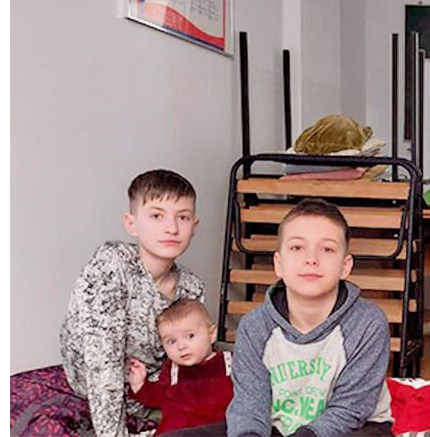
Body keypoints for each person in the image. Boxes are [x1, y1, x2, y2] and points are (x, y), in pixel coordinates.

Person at [220, 198, 392, 437]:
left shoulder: (368, 323)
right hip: (276, 428)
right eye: (297, 248)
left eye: (327, 249)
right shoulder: (254, 326)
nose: (311, 259)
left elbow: (351, 409)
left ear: (345, 266)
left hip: (351, 429)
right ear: (278, 264)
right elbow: (250, 405)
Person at [60, 169, 205, 437]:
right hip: (99, 388)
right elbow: (103, 364)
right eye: (156, 216)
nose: (172, 228)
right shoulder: (112, 267)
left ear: (194, 226)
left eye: (182, 217)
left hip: (154, 393)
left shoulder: (191, 287)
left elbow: (189, 360)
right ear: (132, 224)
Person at [127, 299, 233, 436]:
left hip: (215, 430)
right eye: (171, 341)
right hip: (175, 431)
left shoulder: (229, 362)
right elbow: (158, 396)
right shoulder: (172, 370)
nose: (181, 346)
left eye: (190, 336)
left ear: (211, 334)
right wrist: (139, 385)